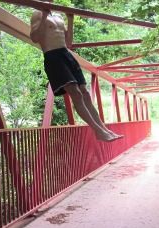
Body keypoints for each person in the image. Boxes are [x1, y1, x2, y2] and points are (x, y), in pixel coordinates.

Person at [30, 7, 123, 142]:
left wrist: (70, 18)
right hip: (52, 56)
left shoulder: (58, 16)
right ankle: (98, 131)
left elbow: (69, 43)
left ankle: (104, 129)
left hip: (66, 54)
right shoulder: (37, 14)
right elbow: (34, 38)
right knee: (76, 93)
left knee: (84, 93)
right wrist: (44, 15)